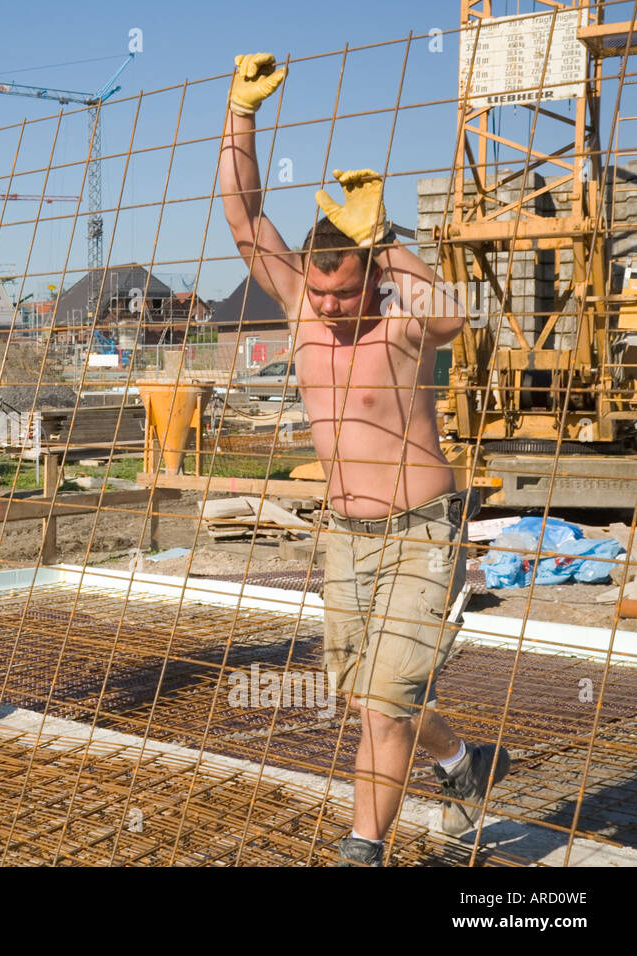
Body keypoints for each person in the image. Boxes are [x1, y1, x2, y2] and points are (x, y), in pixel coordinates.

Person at [218, 54, 511, 865]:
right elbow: (246, 221)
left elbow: (457, 315)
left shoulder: (403, 316)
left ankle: (361, 848)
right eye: (323, 293)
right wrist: (238, 113)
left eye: (349, 290)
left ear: (374, 273)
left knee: (383, 703)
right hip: (343, 537)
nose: (334, 307)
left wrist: (388, 245)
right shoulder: (302, 303)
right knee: (374, 696)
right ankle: (462, 762)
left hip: (422, 533)